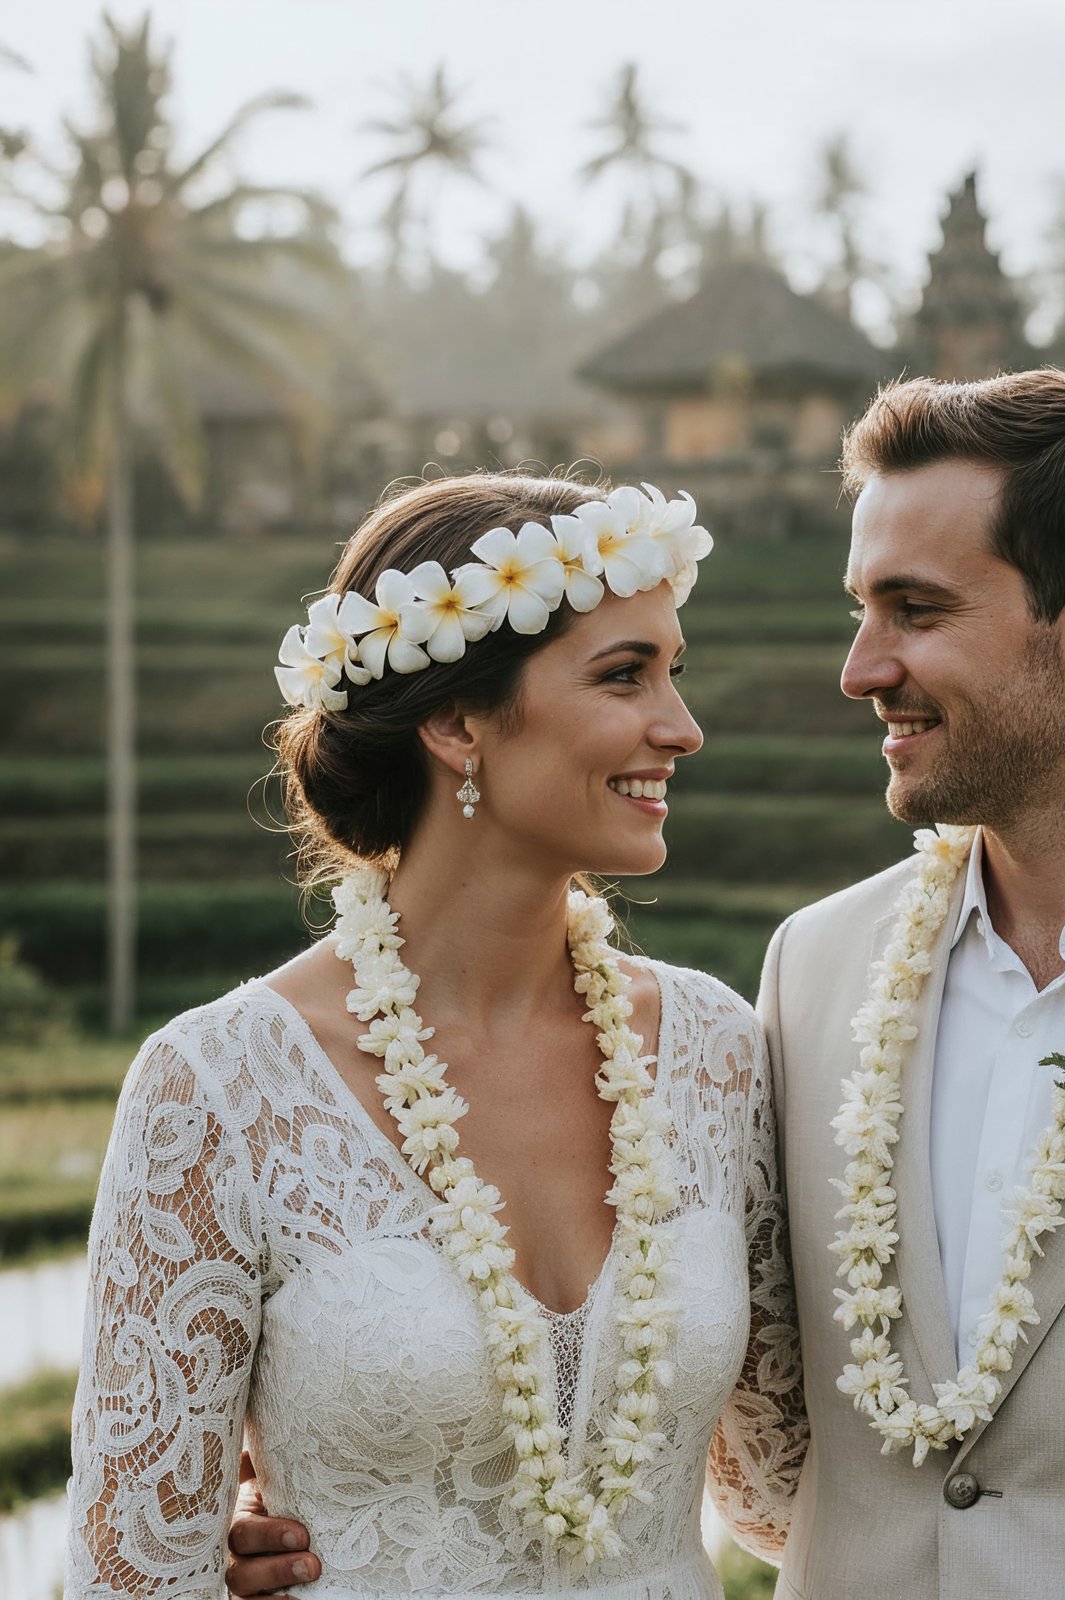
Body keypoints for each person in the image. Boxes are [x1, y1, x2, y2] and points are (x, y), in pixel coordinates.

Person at [229, 369, 1065, 1599]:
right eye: (860, 611)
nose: (861, 668)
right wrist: (342, 1510)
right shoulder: (815, 974)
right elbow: (753, 1455)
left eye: (915, 611)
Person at [64, 472, 806, 1600]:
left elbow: (777, 1492)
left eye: (674, 672)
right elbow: (131, 1578)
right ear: (456, 722)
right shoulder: (216, 1088)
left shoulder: (717, 1050)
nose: (682, 727)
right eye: (624, 675)